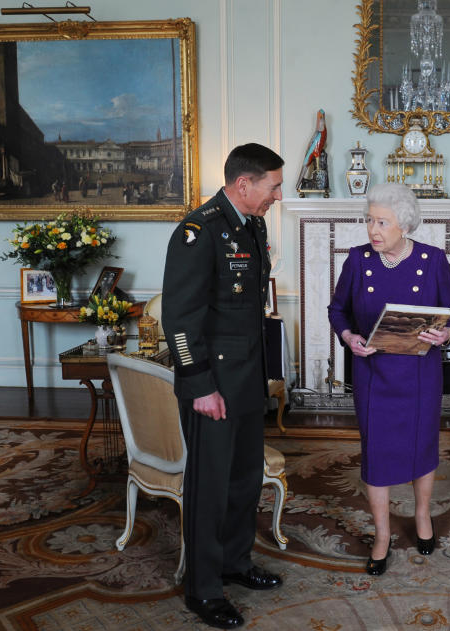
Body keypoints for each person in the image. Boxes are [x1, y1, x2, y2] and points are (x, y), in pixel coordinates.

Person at [162, 143, 284, 629]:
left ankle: (235, 562)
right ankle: (204, 588)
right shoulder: (199, 232)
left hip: (247, 382)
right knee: (209, 488)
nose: (278, 194)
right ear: (244, 184)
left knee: (243, 481)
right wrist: (199, 386)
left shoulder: (252, 226)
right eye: (273, 185)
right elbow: (180, 320)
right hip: (212, 386)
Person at [328, 183, 450, 576]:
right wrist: (349, 336)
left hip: (420, 373)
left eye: (382, 221)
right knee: (377, 452)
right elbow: (338, 311)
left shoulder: (433, 259)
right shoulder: (356, 261)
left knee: (421, 445)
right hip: (373, 373)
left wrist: (447, 332)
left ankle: (422, 516)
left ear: (403, 224)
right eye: (369, 219)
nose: (373, 229)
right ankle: (383, 534)